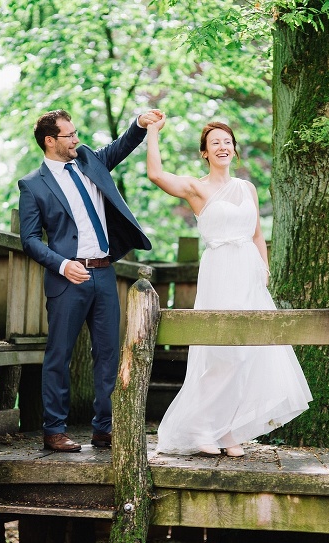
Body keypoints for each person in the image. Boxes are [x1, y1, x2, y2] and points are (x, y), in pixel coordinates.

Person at [147, 114, 312, 457]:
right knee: (224, 353)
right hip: (220, 270)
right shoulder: (197, 187)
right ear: (205, 152)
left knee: (251, 352)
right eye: (215, 143)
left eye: (227, 142)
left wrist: (264, 268)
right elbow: (156, 175)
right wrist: (151, 132)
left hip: (249, 273)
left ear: (234, 149)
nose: (222, 147)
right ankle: (200, 426)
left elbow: (256, 234)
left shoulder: (247, 188)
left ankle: (228, 431)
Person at [18, 109, 159, 452]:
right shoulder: (33, 185)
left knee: (109, 353)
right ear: (50, 141)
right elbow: (30, 240)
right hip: (68, 278)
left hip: (104, 273)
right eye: (69, 135)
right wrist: (63, 265)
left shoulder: (88, 161)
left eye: (76, 132)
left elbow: (120, 146)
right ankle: (53, 430)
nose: (77, 139)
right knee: (59, 355)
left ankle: (104, 428)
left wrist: (139, 124)